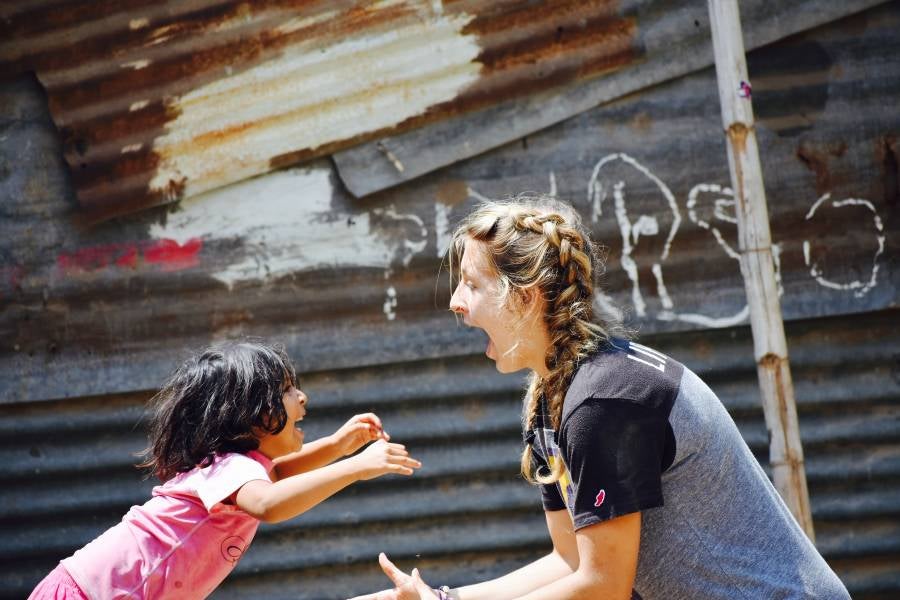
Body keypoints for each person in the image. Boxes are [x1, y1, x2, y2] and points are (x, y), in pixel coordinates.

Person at [352, 196, 849, 600]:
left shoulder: (603, 400)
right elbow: (569, 561)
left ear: (525, 298)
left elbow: (602, 587)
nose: (455, 302)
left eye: (471, 284)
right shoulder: (553, 397)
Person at [28, 340, 421, 600]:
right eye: (286, 390)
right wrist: (355, 467)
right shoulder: (228, 469)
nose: (302, 397)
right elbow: (269, 503)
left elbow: (277, 475)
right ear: (249, 414)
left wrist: (338, 445)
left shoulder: (238, 469)